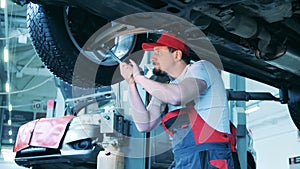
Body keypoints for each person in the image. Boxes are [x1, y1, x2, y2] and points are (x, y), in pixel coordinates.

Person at [120, 33, 235, 169]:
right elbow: (144, 124)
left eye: (158, 52)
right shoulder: (166, 89)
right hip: (184, 159)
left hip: (210, 158)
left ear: (177, 55)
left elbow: (177, 96)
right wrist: (132, 83)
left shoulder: (202, 68)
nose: (153, 58)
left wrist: (140, 78)